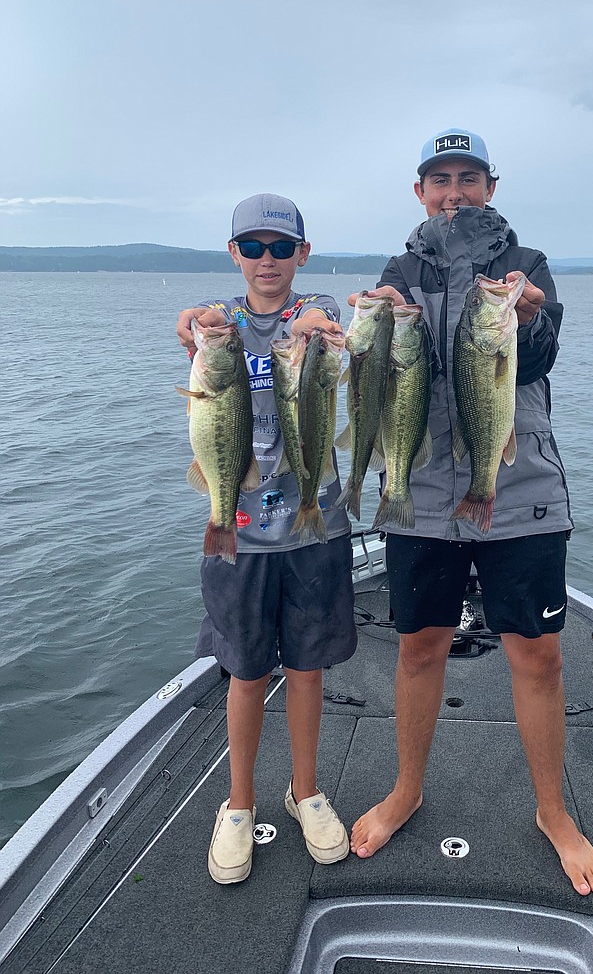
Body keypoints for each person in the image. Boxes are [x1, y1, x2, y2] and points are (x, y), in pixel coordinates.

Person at [347, 129, 593, 896]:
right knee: (419, 649)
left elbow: (545, 356)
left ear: (491, 186)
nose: (453, 192)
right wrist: (374, 319)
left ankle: (552, 811)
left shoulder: (525, 266)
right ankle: (407, 790)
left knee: (540, 655)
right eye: (439, 180)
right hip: (421, 492)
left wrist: (526, 314)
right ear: (419, 192)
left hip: (519, 487)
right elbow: (378, 364)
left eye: (467, 178)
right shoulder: (402, 268)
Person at [176, 193, 356, 883]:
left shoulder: (317, 318)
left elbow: (327, 315)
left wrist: (316, 323)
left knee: (307, 670)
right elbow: (196, 327)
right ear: (234, 256)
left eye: (281, 248)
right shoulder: (218, 329)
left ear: (301, 256)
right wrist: (193, 327)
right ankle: (239, 802)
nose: (267, 261)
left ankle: (305, 789)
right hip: (241, 534)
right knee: (246, 676)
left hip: (314, 530)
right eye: (253, 247)